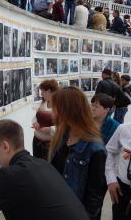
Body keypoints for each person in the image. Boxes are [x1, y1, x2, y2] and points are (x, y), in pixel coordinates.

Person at [49, 86, 106, 220]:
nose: (52, 112)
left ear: (66, 110)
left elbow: (95, 196)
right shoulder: (62, 135)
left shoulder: (94, 148)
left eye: (55, 107)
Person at [32, 80, 58, 160]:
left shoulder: (60, 106)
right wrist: (35, 123)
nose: (41, 94)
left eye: (42, 92)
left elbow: (64, 125)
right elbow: (35, 118)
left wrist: (50, 129)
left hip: (50, 144)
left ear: (49, 91)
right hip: (37, 141)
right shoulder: (43, 103)